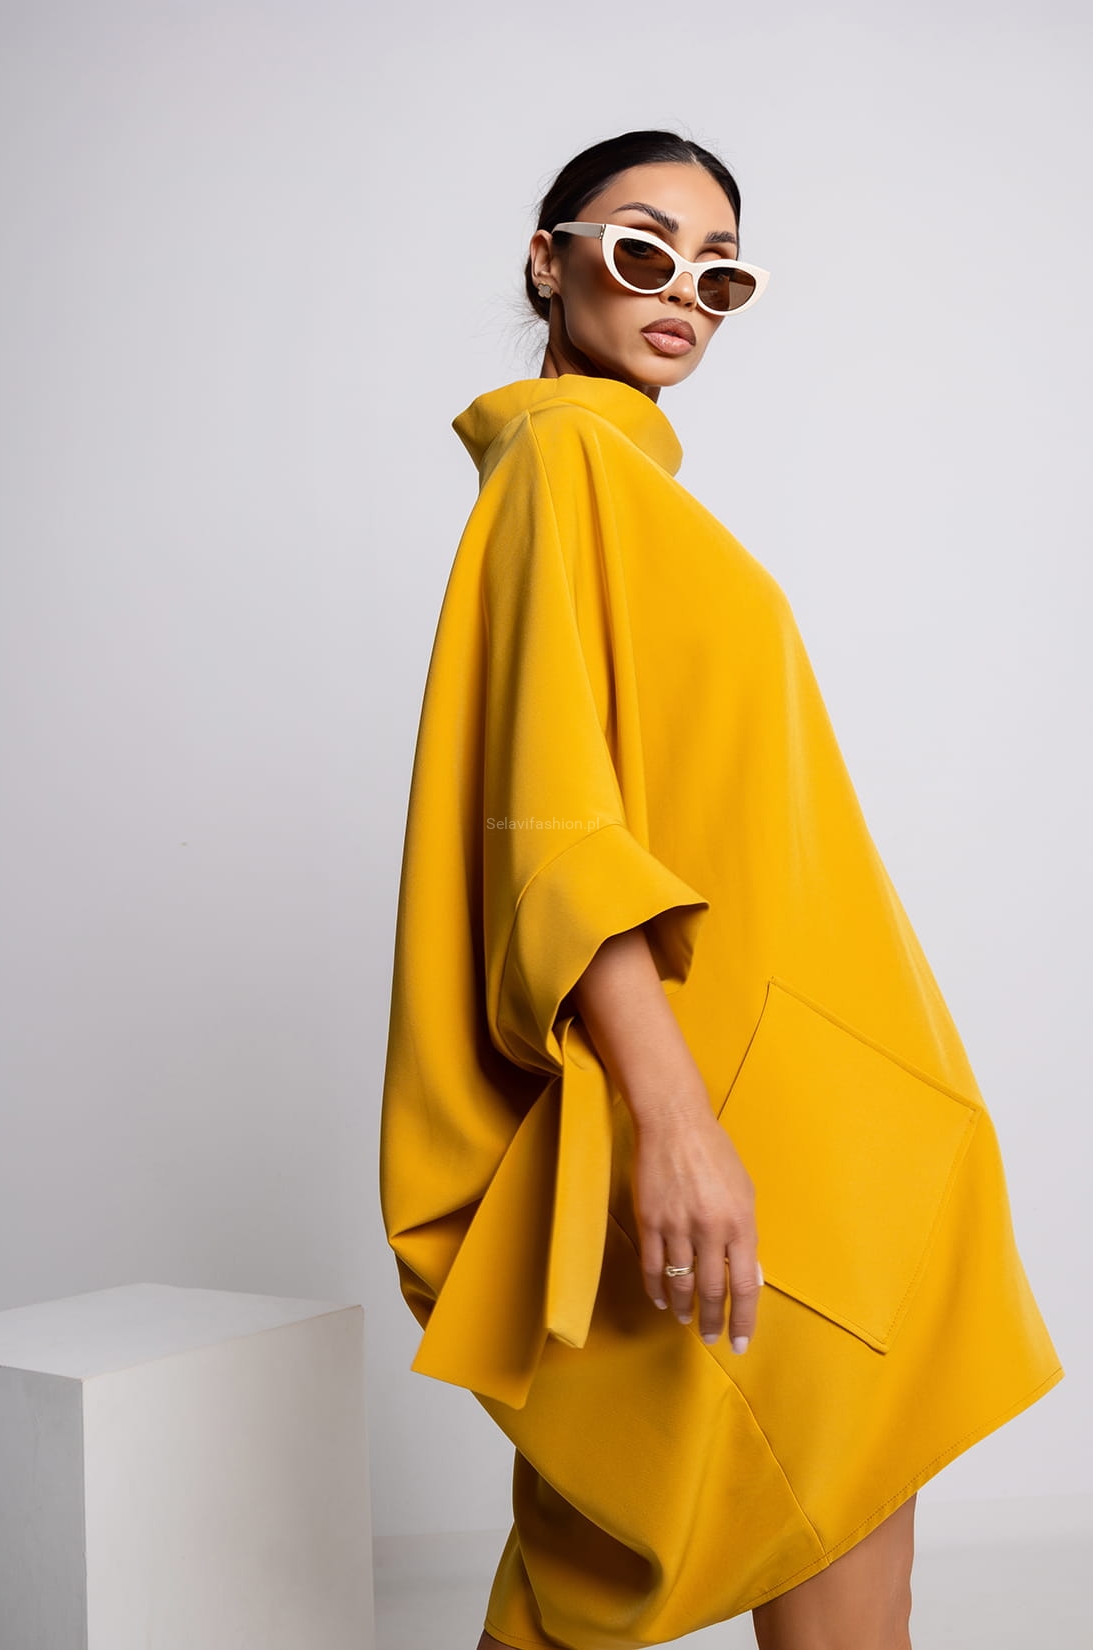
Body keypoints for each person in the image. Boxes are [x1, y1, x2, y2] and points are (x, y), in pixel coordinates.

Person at [379, 130, 1063, 1650]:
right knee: (658, 1556)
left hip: (839, 1118)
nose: (682, 289)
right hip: (731, 1109)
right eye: (642, 248)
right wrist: (675, 1120)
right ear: (547, 261)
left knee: (853, 1540)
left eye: (720, 272)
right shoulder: (562, 462)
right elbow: (558, 828)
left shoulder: (641, 490)